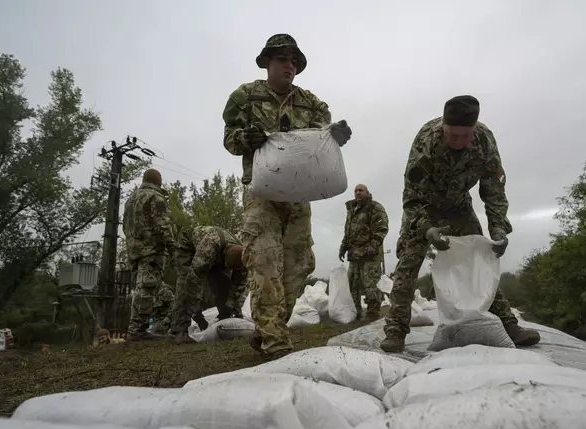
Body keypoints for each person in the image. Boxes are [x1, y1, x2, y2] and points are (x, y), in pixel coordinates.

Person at [222, 33, 353, 357]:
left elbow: (325, 136)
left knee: (299, 264)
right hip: (261, 193)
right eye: (283, 59)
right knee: (264, 257)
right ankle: (275, 342)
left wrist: (338, 134)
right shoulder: (245, 96)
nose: (289, 66)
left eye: (294, 61)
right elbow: (229, 140)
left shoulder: (310, 103)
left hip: (298, 195)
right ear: (267, 62)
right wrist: (244, 138)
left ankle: (269, 327)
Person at [380, 95, 541, 353]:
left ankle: (508, 325)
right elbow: (411, 196)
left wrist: (498, 227)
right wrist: (427, 229)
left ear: (473, 129)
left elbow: (494, 188)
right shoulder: (426, 141)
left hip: (458, 206)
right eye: (452, 136)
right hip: (424, 207)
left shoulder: (484, 140)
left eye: (464, 136)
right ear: (443, 126)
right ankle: (396, 330)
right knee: (408, 265)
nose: (458, 142)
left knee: (479, 259)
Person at [122, 168, 176, 341]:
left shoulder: (130, 200)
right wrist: (173, 247)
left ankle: (136, 328)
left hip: (134, 250)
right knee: (147, 288)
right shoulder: (156, 197)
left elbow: (125, 226)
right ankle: (137, 330)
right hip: (151, 250)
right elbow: (163, 225)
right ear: (158, 182)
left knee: (139, 289)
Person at [170, 226, 248, 344]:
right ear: (224, 256)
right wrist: (197, 314)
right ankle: (178, 331)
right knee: (184, 282)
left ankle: (229, 319)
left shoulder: (244, 257)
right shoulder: (209, 248)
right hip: (188, 247)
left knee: (223, 282)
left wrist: (228, 307)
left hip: (216, 253)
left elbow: (238, 286)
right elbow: (193, 281)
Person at [339, 184, 389, 320]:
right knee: (352, 286)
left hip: (369, 255)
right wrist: (343, 247)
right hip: (354, 255)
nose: (358, 193)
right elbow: (347, 231)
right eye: (356, 191)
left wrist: (373, 246)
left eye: (361, 190)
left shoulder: (374, 207)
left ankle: (373, 314)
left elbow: (382, 227)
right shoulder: (352, 210)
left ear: (367, 192)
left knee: (371, 286)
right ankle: (355, 313)